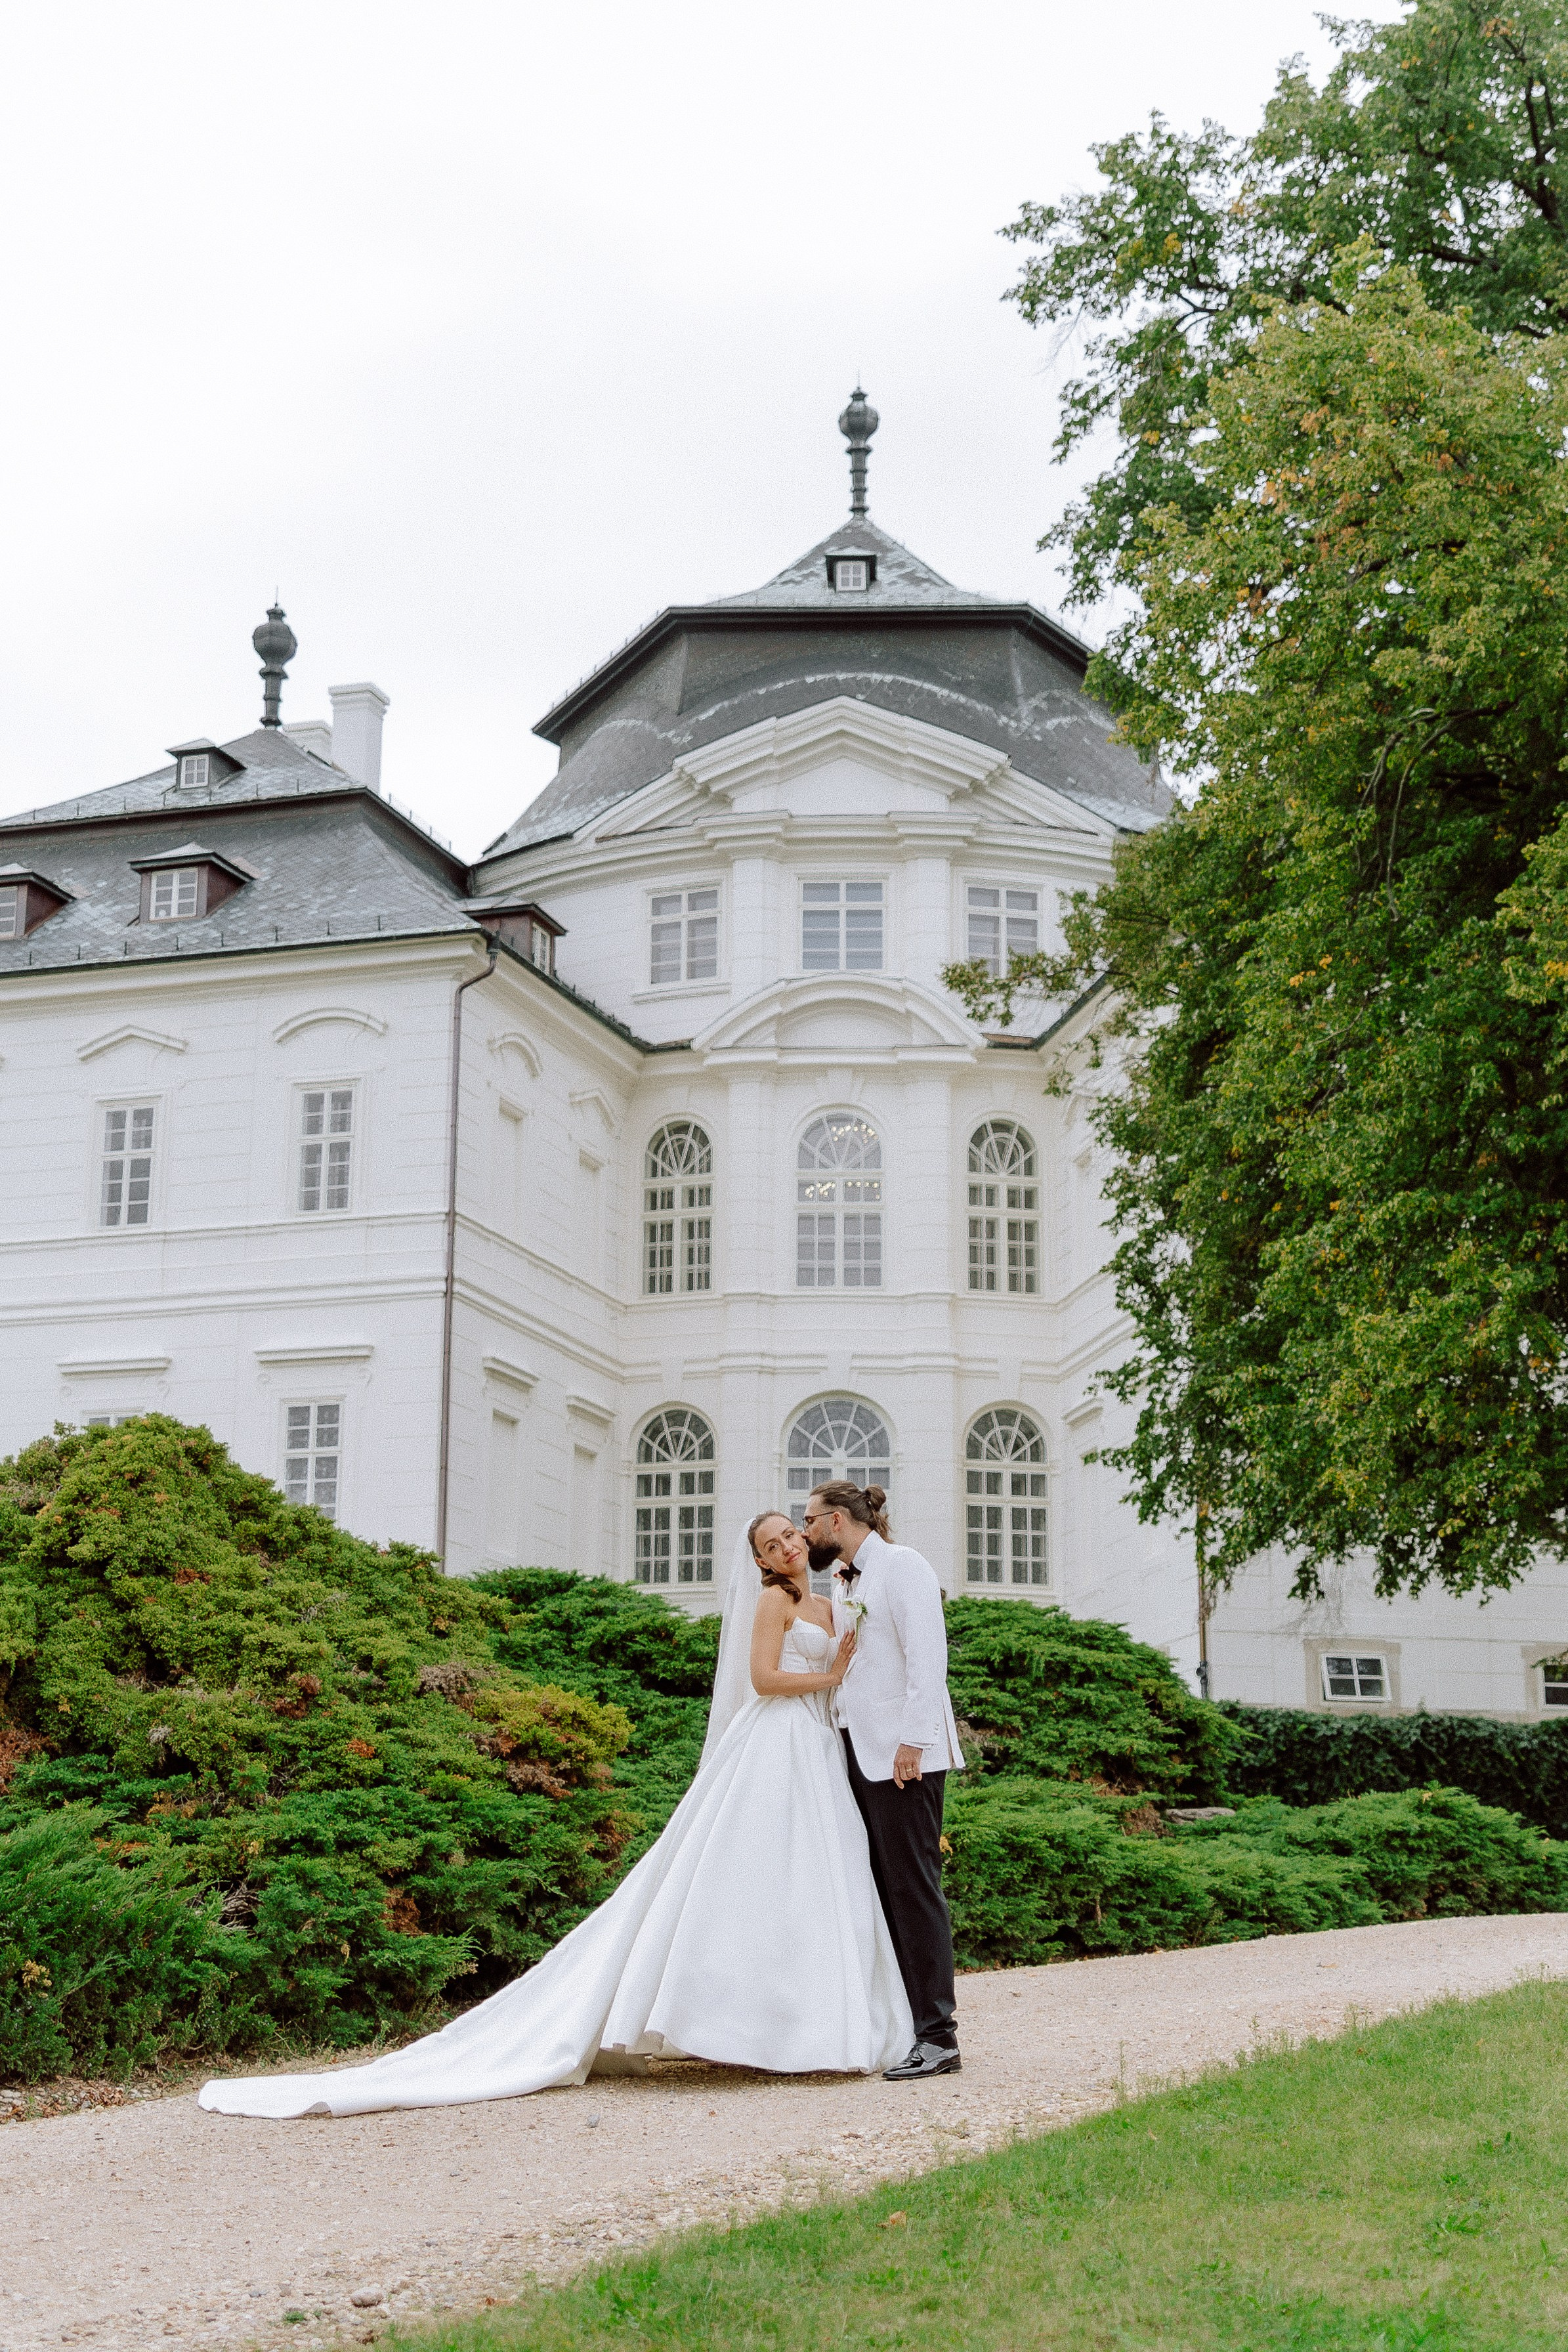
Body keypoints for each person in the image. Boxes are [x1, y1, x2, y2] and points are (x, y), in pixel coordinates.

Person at [196, 1513, 911, 2118]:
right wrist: (829, 1674)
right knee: (759, 1871)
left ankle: (811, 2025)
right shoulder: (772, 1604)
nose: (787, 1545)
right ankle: (763, 2031)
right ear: (760, 1562)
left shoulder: (828, 1604)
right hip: (774, 1744)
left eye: (790, 1534)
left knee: (813, 1882)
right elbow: (762, 1678)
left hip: (819, 1747)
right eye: (771, 1544)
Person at [804, 1481, 965, 2081]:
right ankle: (906, 2028)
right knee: (882, 1891)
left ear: (837, 1520)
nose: (805, 1532)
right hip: (860, 1751)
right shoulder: (844, 1580)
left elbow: (927, 1658)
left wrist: (913, 1743)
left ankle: (938, 2037)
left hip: (904, 1757)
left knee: (913, 1889)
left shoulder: (904, 1565)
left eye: (809, 1520)